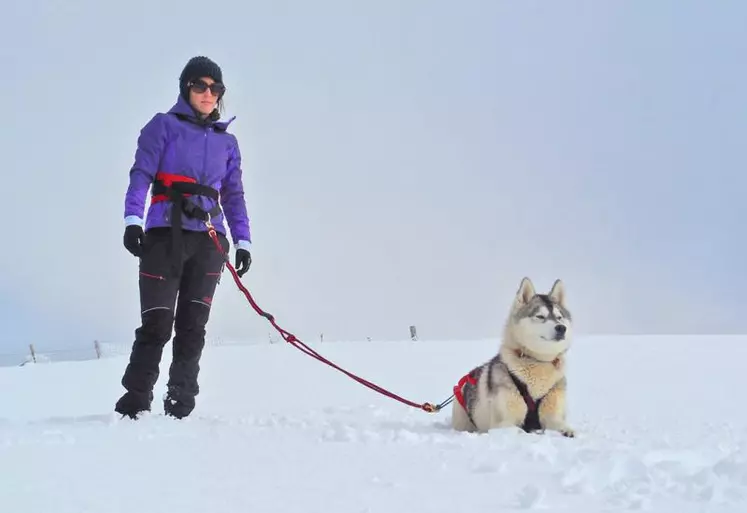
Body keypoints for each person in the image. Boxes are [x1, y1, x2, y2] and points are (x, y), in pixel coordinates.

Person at [115, 56, 252, 419]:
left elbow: (234, 195)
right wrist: (132, 219)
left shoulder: (228, 143)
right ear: (186, 88)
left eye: (215, 88)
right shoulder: (162, 126)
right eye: (200, 85)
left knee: (193, 327)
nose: (208, 93)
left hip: (209, 240)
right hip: (164, 233)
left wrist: (243, 241)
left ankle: (180, 406)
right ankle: (135, 404)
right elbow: (141, 173)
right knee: (157, 323)